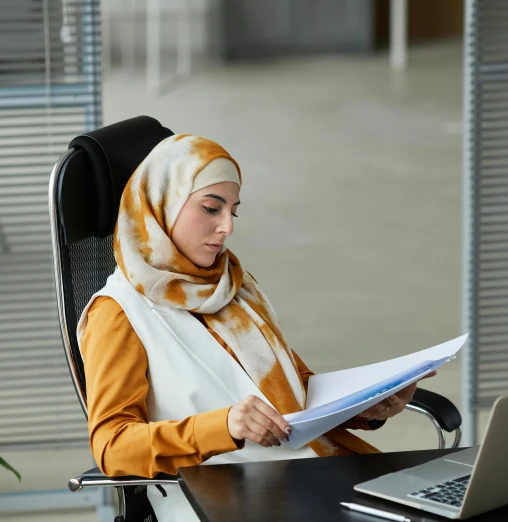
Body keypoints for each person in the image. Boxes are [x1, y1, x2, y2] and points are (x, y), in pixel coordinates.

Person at [77, 134, 434, 522]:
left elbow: (291, 393)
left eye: (234, 211)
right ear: (162, 205)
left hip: (306, 471)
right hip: (224, 493)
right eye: (211, 209)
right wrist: (225, 425)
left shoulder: (232, 284)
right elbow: (113, 447)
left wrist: (366, 407)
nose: (227, 227)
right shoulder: (118, 313)